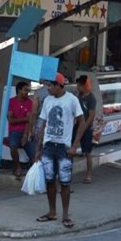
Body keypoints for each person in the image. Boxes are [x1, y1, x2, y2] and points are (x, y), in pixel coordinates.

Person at [35, 72, 85, 229]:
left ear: (58, 85)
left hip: (64, 148)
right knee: (50, 180)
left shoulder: (72, 100)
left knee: (65, 182)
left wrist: (74, 145)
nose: (48, 89)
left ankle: (65, 215)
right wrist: (38, 149)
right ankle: (52, 212)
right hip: (49, 146)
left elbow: (82, 122)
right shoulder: (48, 100)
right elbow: (43, 124)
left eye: (50, 86)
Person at [8, 81, 36, 179]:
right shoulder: (11, 101)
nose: (27, 92)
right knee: (12, 146)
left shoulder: (29, 102)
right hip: (14, 131)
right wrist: (24, 119)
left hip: (26, 131)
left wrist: (25, 134)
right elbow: (10, 120)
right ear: (19, 90)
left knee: (34, 155)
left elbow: (29, 121)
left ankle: (34, 175)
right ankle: (17, 167)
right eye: (25, 90)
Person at [75, 75, 97, 184]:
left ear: (82, 85)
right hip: (77, 125)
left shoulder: (91, 98)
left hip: (87, 128)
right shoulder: (78, 96)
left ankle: (88, 175)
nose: (77, 87)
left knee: (88, 152)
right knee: (71, 148)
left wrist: (84, 127)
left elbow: (91, 116)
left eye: (78, 85)